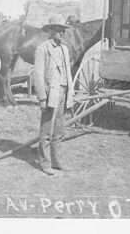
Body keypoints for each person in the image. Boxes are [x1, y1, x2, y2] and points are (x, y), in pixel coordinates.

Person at [33, 14, 74, 176]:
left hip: (64, 91)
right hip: (51, 94)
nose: (61, 33)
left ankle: (57, 161)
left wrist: (70, 92)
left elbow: (67, 72)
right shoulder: (42, 49)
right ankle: (45, 163)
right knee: (47, 130)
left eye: (63, 30)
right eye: (58, 30)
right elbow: (38, 75)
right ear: (50, 31)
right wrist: (42, 98)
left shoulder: (64, 49)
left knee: (59, 130)